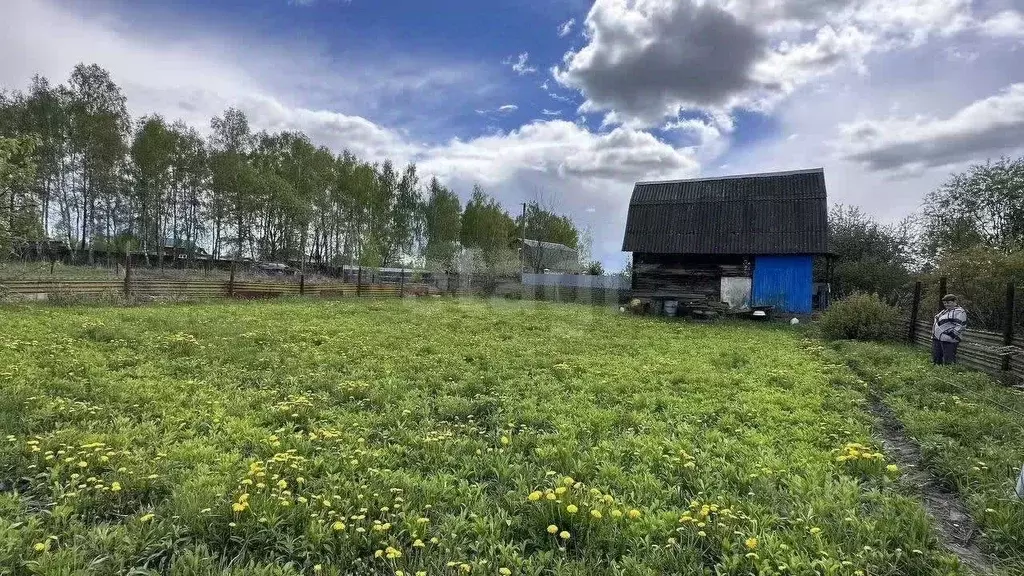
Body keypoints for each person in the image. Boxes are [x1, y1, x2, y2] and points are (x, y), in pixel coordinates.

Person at [932, 294, 967, 365]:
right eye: (945, 303)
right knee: (936, 358)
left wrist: (951, 335)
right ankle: (936, 371)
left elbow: (961, 326)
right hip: (937, 338)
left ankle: (948, 372)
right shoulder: (945, 311)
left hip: (949, 340)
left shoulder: (960, 312)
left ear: (955, 301)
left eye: (948, 302)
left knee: (948, 359)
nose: (946, 304)